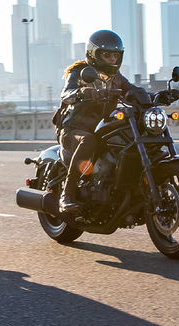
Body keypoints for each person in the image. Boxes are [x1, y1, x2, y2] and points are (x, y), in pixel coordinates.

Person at [56, 30, 140, 215]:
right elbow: (66, 94)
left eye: (115, 55)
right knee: (88, 141)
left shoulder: (116, 77)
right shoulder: (79, 72)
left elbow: (132, 90)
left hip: (101, 128)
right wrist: (82, 92)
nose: (112, 59)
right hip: (74, 130)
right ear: (94, 54)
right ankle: (66, 196)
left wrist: (156, 95)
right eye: (106, 55)